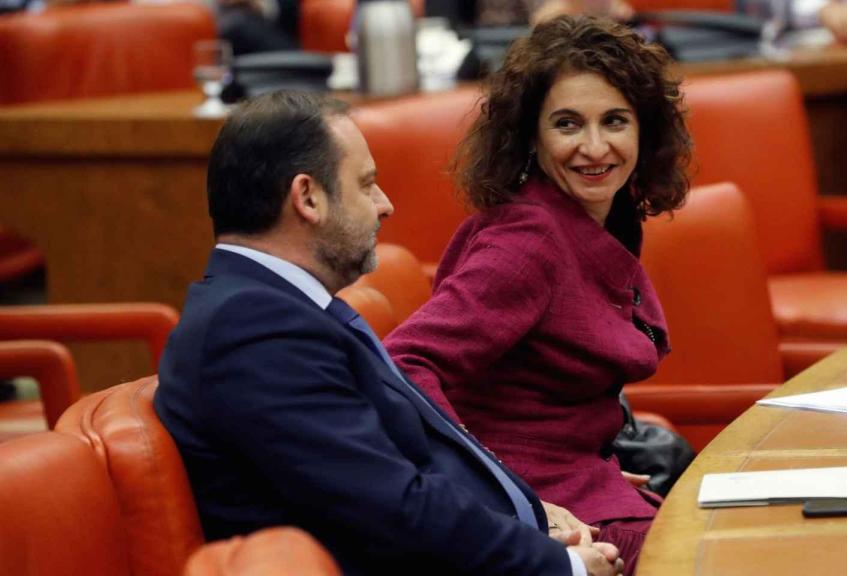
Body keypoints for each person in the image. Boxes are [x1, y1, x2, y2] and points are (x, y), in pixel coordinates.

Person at [154, 90, 624, 576]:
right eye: (366, 185)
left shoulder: (274, 308)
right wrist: (561, 565)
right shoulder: (254, 330)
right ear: (308, 197)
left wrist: (530, 522)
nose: (385, 205)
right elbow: (390, 508)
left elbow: (407, 475)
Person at [384, 16, 692, 576]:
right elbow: (404, 367)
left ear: (643, 130)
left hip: (586, 484)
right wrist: (506, 489)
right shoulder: (527, 242)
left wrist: (584, 459)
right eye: (568, 124)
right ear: (531, 135)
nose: (595, 147)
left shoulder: (600, 215)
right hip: (550, 519)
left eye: (615, 121)